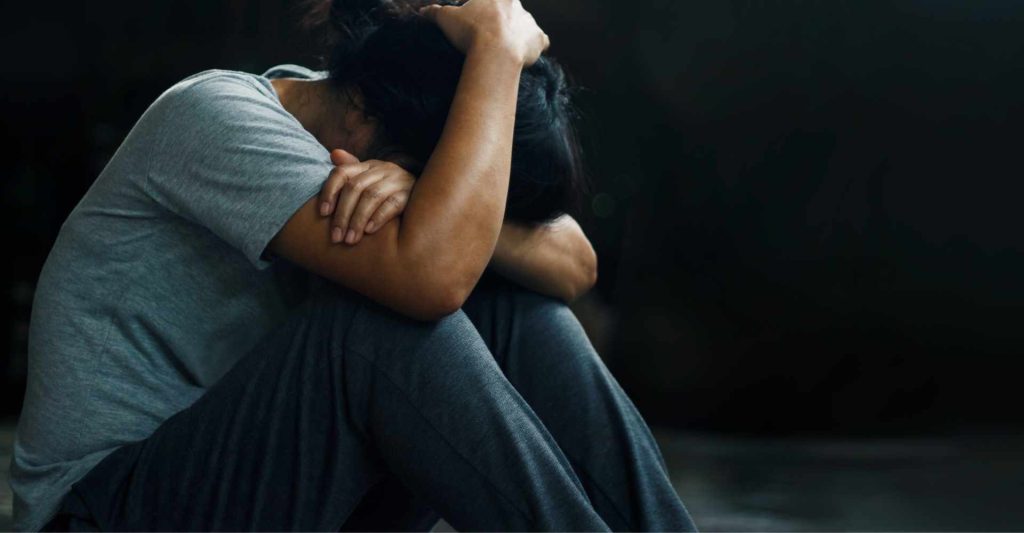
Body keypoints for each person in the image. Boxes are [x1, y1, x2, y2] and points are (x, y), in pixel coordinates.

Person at [11, 0, 696, 530]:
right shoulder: (214, 118)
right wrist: (495, 44)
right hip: (109, 508)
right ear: (363, 111)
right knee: (378, 327)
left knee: (512, 304)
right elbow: (431, 277)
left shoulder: (365, 117)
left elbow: (576, 260)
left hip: (279, 495)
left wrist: (436, 199)